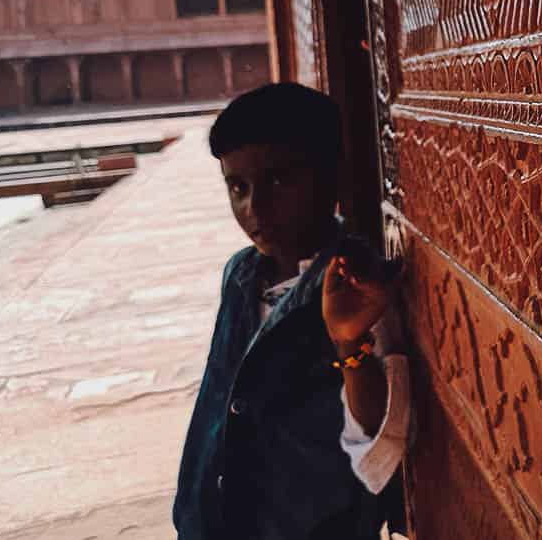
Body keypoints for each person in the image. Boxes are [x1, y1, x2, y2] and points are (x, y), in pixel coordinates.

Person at [173, 82, 410, 539]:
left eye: (278, 181)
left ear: (331, 176)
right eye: (238, 187)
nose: (255, 207)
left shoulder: (355, 286)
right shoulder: (240, 275)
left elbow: (378, 449)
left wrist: (347, 341)